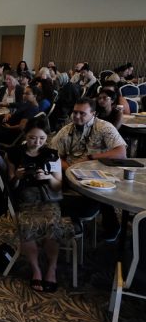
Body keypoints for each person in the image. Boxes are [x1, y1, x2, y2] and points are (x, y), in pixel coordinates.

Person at [6, 117, 72, 293]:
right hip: (25, 200)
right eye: (33, 138)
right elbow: (10, 185)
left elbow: (58, 185)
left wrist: (48, 177)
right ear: (25, 135)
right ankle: (36, 269)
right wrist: (17, 177)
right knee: (27, 226)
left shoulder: (51, 154)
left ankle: (51, 267)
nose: (37, 142)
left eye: (42, 139)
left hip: (48, 199)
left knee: (52, 226)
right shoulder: (14, 153)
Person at [51, 98, 127, 242]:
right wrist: (69, 169)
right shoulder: (66, 130)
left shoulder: (104, 127)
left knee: (103, 189)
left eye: (82, 113)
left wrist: (91, 157)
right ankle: (71, 214)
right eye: (74, 112)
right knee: (48, 183)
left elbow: (121, 152)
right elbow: (54, 156)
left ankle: (111, 226)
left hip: (99, 172)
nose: (77, 116)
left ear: (93, 113)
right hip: (72, 172)